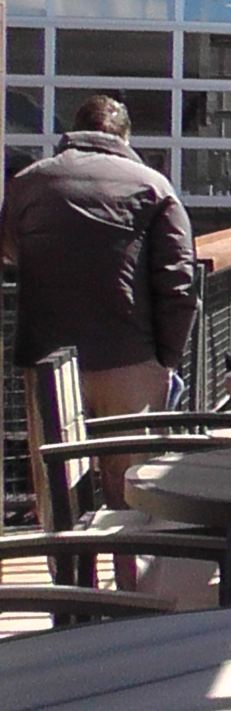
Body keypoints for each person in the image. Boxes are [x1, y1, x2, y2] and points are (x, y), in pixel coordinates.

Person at [1, 95, 197, 504]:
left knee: (58, 490)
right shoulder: (152, 186)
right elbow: (179, 282)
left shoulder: (27, 182)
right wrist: (167, 358)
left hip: (48, 362)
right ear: (124, 136)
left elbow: (12, 251)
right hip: (130, 358)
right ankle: (128, 567)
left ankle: (67, 566)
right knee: (131, 489)